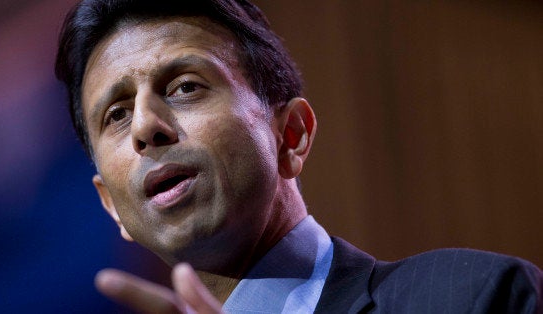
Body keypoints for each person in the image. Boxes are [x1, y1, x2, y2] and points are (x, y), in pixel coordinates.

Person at [55, 0, 542, 312]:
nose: (144, 126)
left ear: (291, 135)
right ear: (111, 205)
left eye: (184, 87)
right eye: (116, 115)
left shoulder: (471, 297)